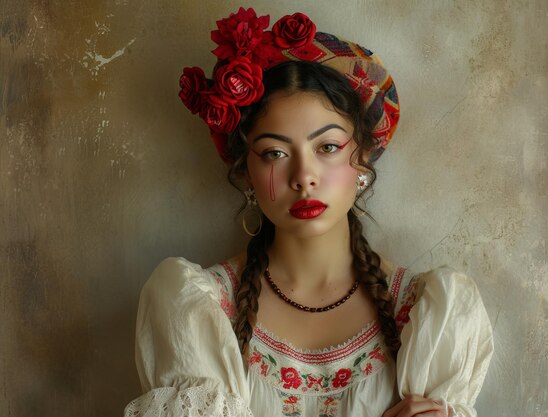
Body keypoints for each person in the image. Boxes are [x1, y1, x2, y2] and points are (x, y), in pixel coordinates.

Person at [124, 8, 493, 417]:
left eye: (327, 147)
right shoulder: (195, 312)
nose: (304, 177)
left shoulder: (431, 316)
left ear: (363, 158)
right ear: (246, 171)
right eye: (275, 153)